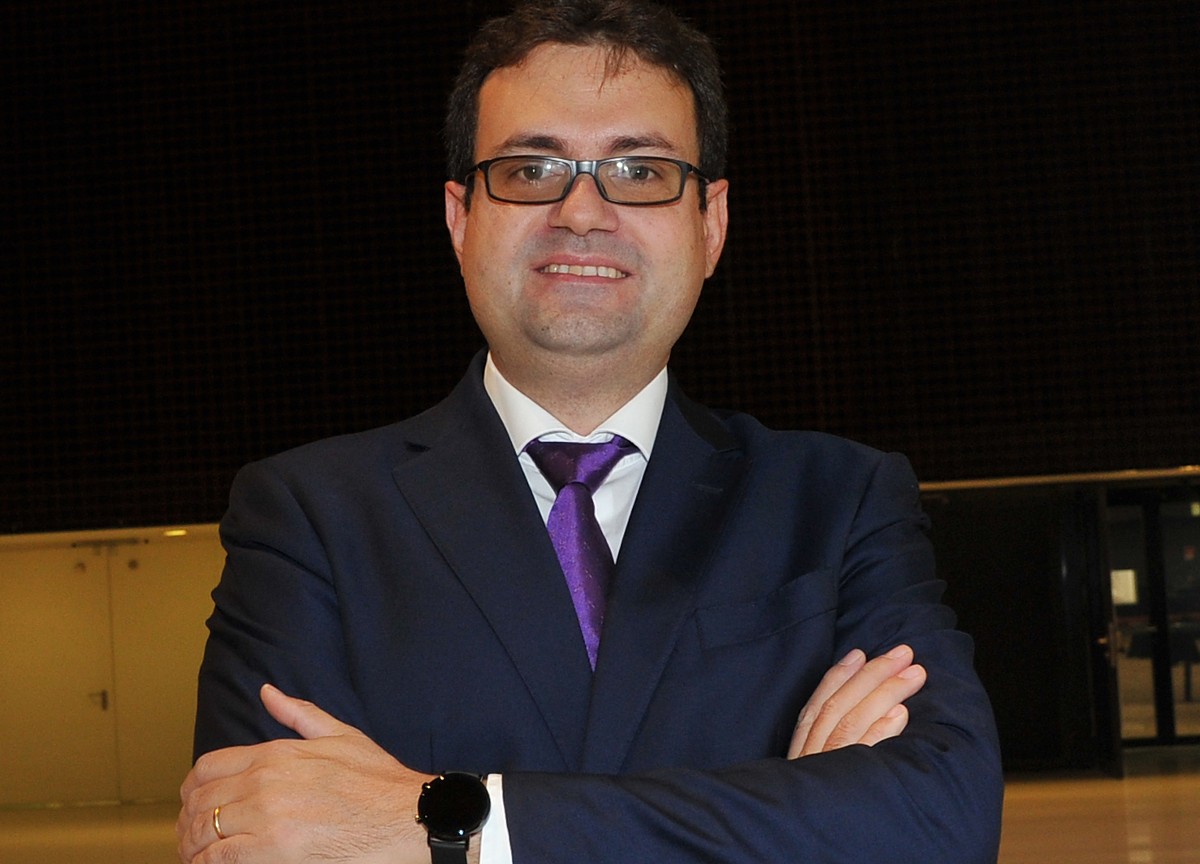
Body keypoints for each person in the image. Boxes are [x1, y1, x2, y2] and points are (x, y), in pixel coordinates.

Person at [177, 1, 1003, 862]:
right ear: (461, 219)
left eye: (639, 171)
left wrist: (456, 826)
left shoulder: (839, 502)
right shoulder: (308, 518)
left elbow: (941, 820)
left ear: (711, 224)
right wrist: (797, 813)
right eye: (530, 170)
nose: (580, 210)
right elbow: (263, 837)